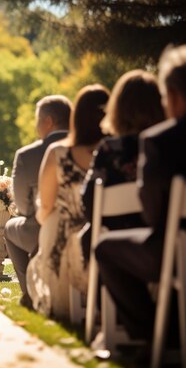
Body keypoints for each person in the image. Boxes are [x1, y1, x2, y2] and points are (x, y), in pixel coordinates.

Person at [96, 45, 186, 344]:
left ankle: (152, 333)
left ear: (173, 96)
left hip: (173, 252)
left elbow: (152, 212)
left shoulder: (160, 142)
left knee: (105, 247)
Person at [26, 84, 110, 318]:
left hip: (64, 240)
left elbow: (45, 206)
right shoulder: (117, 154)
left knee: (50, 218)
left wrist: (44, 218)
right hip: (109, 235)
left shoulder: (58, 152)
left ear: (78, 117)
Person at [79, 70, 165, 264]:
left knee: (91, 239)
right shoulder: (168, 145)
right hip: (168, 242)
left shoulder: (109, 149)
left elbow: (88, 202)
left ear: (118, 108)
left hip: (119, 240)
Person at [4, 95, 71, 309]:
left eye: (38, 120)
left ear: (49, 121)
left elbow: (23, 208)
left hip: (42, 231)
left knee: (9, 228)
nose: (36, 126)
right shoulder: (88, 150)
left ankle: (29, 291)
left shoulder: (28, 155)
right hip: (82, 230)